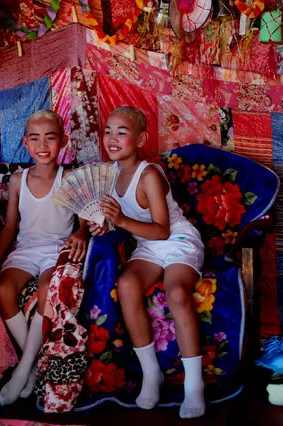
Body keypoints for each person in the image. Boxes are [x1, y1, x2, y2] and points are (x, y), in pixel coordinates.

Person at [90, 106, 206, 419]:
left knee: (178, 293)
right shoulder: (109, 175)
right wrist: (102, 225)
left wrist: (121, 220)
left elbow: (162, 228)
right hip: (148, 246)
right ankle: (150, 372)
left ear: (140, 138)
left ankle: (194, 386)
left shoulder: (150, 174)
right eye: (108, 131)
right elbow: (118, 222)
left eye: (122, 132)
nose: (112, 138)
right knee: (126, 284)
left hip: (178, 241)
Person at [0, 110, 88, 406]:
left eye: (50, 137)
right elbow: (10, 227)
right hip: (26, 250)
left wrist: (82, 233)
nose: (42, 144)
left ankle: (22, 369)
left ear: (63, 141)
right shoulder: (18, 180)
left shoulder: (70, 177)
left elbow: (84, 220)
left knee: (49, 289)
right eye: (35, 138)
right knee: (3, 289)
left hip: (56, 251)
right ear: (25, 142)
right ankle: (33, 365)